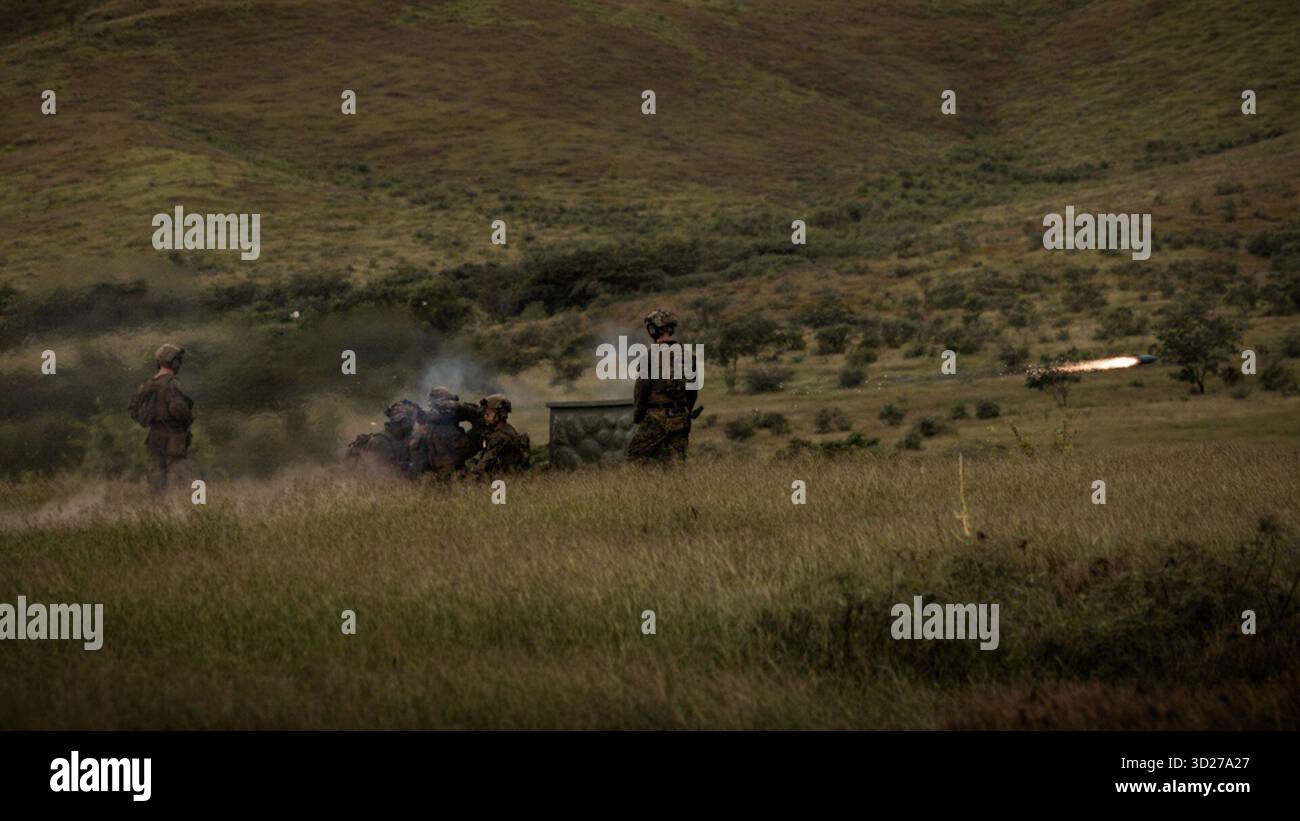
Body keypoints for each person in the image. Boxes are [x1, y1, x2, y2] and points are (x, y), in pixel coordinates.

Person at [627, 309, 698, 464]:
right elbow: (693, 390)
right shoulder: (689, 356)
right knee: (678, 463)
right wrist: (687, 411)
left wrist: (638, 417)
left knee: (635, 459)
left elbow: (642, 390)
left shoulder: (649, 357)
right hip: (681, 417)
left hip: (656, 417)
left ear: (652, 330)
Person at [128, 343, 195, 492]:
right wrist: (189, 419)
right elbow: (178, 409)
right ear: (173, 362)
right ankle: (185, 509)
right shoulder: (172, 383)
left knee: (157, 480)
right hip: (174, 436)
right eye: (178, 360)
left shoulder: (148, 385)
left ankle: (157, 509)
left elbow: (133, 409)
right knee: (181, 479)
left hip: (154, 437)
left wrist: (148, 419)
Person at [413, 386, 483, 477]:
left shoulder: (445, 428)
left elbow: (464, 451)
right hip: (442, 475)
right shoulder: (436, 427)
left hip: (451, 475)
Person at [345, 400, 420, 476]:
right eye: (409, 421)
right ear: (400, 421)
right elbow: (380, 472)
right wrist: (409, 466)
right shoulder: (381, 441)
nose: (412, 425)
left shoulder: (407, 438)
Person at [471, 394, 530, 477]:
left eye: (488, 414)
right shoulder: (508, 430)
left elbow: (483, 467)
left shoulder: (499, 437)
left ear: (500, 414)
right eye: (485, 413)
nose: (485, 417)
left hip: (503, 481)